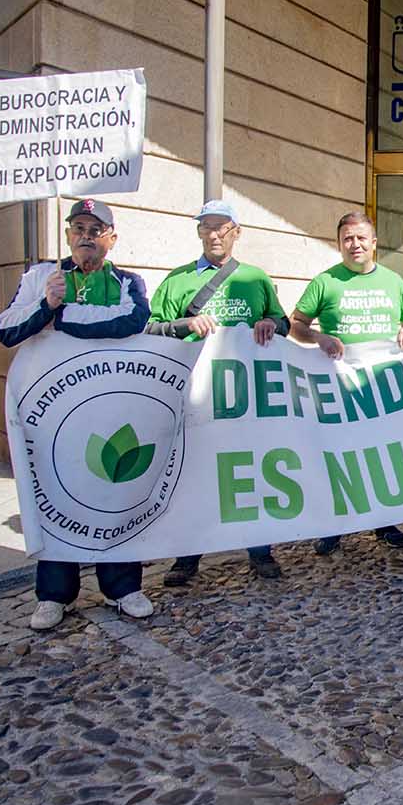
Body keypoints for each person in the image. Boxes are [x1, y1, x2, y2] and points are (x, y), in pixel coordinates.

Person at [0, 199, 153, 630]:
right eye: (78, 227)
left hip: (108, 406)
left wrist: (57, 321)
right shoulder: (39, 277)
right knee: (55, 492)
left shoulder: (127, 281)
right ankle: (54, 594)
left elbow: (132, 321)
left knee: (116, 492)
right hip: (53, 412)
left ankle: (121, 585)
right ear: (68, 234)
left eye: (95, 229)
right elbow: (7, 329)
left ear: (111, 239)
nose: (86, 235)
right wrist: (46, 305)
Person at [147, 200, 290, 585]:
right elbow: (150, 330)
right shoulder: (176, 281)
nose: (214, 234)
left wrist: (269, 324)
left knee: (251, 475)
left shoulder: (255, 278)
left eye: (222, 228)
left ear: (236, 233)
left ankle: (260, 551)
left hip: (246, 400)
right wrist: (185, 324)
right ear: (198, 233)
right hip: (196, 399)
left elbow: (283, 321)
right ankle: (187, 557)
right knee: (194, 477)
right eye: (206, 227)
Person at [293, 211, 403, 554]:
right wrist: (318, 339)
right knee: (340, 456)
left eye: (362, 238)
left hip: (382, 387)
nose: (355, 245)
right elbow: (297, 324)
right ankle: (335, 527)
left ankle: (384, 523)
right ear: (339, 244)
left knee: (382, 455)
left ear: (374, 243)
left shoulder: (393, 281)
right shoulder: (325, 282)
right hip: (340, 387)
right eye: (348, 239)